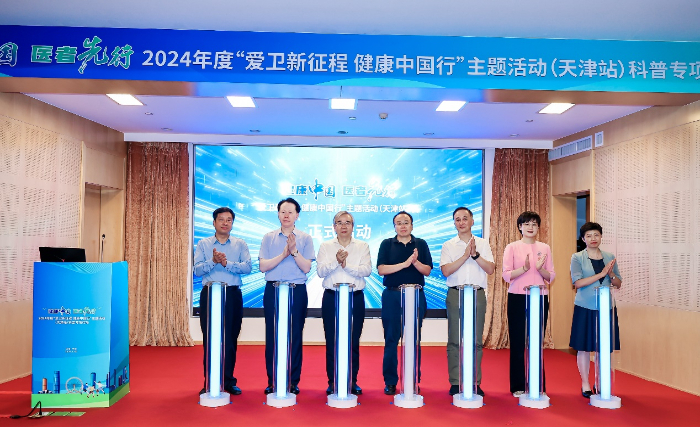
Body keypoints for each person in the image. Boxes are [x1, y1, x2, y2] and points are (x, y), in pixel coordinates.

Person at [259, 198, 315, 395]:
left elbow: (306, 268)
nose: (286, 215)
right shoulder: (268, 237)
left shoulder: (305, 238)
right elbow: (263, 266)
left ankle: (292, 381)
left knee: (295, 335)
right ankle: (273, 380)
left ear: (297, 215)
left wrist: (294, 251)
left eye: (290, 212)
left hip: (296, 290)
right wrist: (283, 255)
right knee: (273, 335)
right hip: (273, 290)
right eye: (283, 211)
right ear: (278, 214)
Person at [194, 207, 252, 396]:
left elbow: (248, 268)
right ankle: (210, 381)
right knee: (210, 339)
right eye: (221, 219)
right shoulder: (203, 244)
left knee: (230, 339)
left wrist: (227, 264)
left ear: (232, 223)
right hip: (210, 294)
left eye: (229, 220)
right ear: (214, 222)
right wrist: (213, 260)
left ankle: (228, 381)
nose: (225, 223)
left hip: (232, 294)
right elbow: (197, 270)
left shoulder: (240, 244)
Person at [377, 211, 433, 395]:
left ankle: (412, 379)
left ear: (412, 225)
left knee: (413, 339)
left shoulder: (421, 244)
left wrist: (415, 262)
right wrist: (405, 263)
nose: (403, 226)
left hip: (415, 296)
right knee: (391, 339)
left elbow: (427, 271)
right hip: (392, 296)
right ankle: (390, 381)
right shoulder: (386, 244)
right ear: (394, 226)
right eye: (399, 223)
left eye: (406, 222)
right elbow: (381, 269)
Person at [440, 207, 495, 397]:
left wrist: (475, 255)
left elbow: (490, 269)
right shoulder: (448, 245)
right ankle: (456, 382)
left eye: (465, 218)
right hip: (456, 293)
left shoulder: (483, 243)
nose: (461, 222)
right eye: (457, 219)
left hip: (477, 294)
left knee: (476, 341)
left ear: (472, 221)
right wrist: (465, 256)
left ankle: (474, 381)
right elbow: (446, 271)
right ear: (454, 223)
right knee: (455, 340)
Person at [316, 211, 371, 396]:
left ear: (353, 226)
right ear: (334, 227)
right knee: (332, 340)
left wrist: (346, 265)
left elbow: (366, 270)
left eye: (347, 222)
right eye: (339, 222)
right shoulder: (325, 246)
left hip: (355, 297)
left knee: (353, 341)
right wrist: (336, 261)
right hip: (332, 297)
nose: (343, 226)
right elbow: (321, 272)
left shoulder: (362, 246)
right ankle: (333, 381)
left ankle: (351, 380)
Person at [502, 211, 555, 397]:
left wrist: (540, 269)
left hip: (539, 297)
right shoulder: (512, 247)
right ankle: (517, 385)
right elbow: (506, 275)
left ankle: (538, 385)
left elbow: (551, 277)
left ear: (538, 227)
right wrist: (524, 269)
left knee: (536, 342)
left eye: (534, 224)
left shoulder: (545, 248)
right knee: (517, 342)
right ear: (520, 227)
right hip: (517, 297)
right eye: (526, 224)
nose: (530, 227)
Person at [570, 222, 622, 398]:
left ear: (601, 237)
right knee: (584, 347)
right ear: (583, 239)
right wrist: (601, 274)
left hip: (606, 307)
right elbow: (578, 283)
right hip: (585, 306)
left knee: (603, 347)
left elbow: (618, 283)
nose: (593, 238)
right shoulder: (577, 257)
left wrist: (611, 274)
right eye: (589, 236)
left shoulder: (609, 257)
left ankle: (600, 381)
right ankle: (585, 383)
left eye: (596, 235)